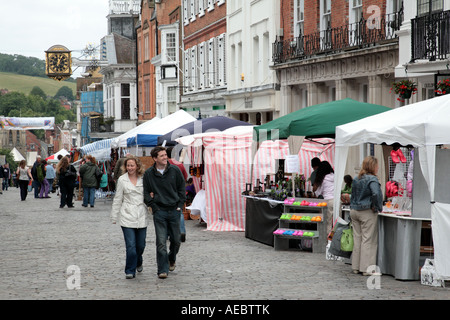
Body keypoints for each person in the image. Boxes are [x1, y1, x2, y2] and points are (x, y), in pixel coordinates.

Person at [143, 146, 186, 279]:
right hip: (160, 211)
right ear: (155, 159)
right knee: (161, 242)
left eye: (165, 155)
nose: (165, 157)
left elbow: (181, 188)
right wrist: (153, 206)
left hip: (174, 210)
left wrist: (180, 205)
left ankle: (171, 258)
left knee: (176, 240)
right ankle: (162, 269)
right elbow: (145, 192)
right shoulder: (149, 173)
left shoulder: (175, 170)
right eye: (161, 156)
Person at [111, 155, 149, 279]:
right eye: (128, 165)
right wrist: (114, 215)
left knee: (141, 245)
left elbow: (149, 195)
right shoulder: (122, 180)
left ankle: (138, 260)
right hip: (127, 214)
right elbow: (118, 198)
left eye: (132, 165)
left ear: (137, 166)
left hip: (141, 213)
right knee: (131, 246)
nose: (130, 168)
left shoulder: (144, 179)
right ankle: (130, 270)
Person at [350, 156, 383, 276]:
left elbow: (352, 194)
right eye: (377, 165)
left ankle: (355, 266)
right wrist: (377, 206)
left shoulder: (356, 178)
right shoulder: (372, 179)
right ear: (373, 166)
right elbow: (376, 193)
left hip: (354, 210)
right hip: (366, 210)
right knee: (368, 239)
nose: (378, 168)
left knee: (357, 239)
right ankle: (367, 268)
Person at [166, 147, 188, 242]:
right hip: (178, 191)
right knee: (179, 212)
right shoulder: (180, 165)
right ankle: (182, 231)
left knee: (166, 212)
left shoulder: (165, 164)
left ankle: (167, 233)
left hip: (167, 191)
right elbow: (185, 177)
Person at [313, 160, 334, 234]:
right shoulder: (334, 176)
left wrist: (315, 191)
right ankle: (335, 241)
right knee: (336, 223)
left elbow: (318, 193)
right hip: (336, 201)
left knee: (328, 223)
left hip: (328, 201)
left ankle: (328, 242)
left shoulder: (323, 178)